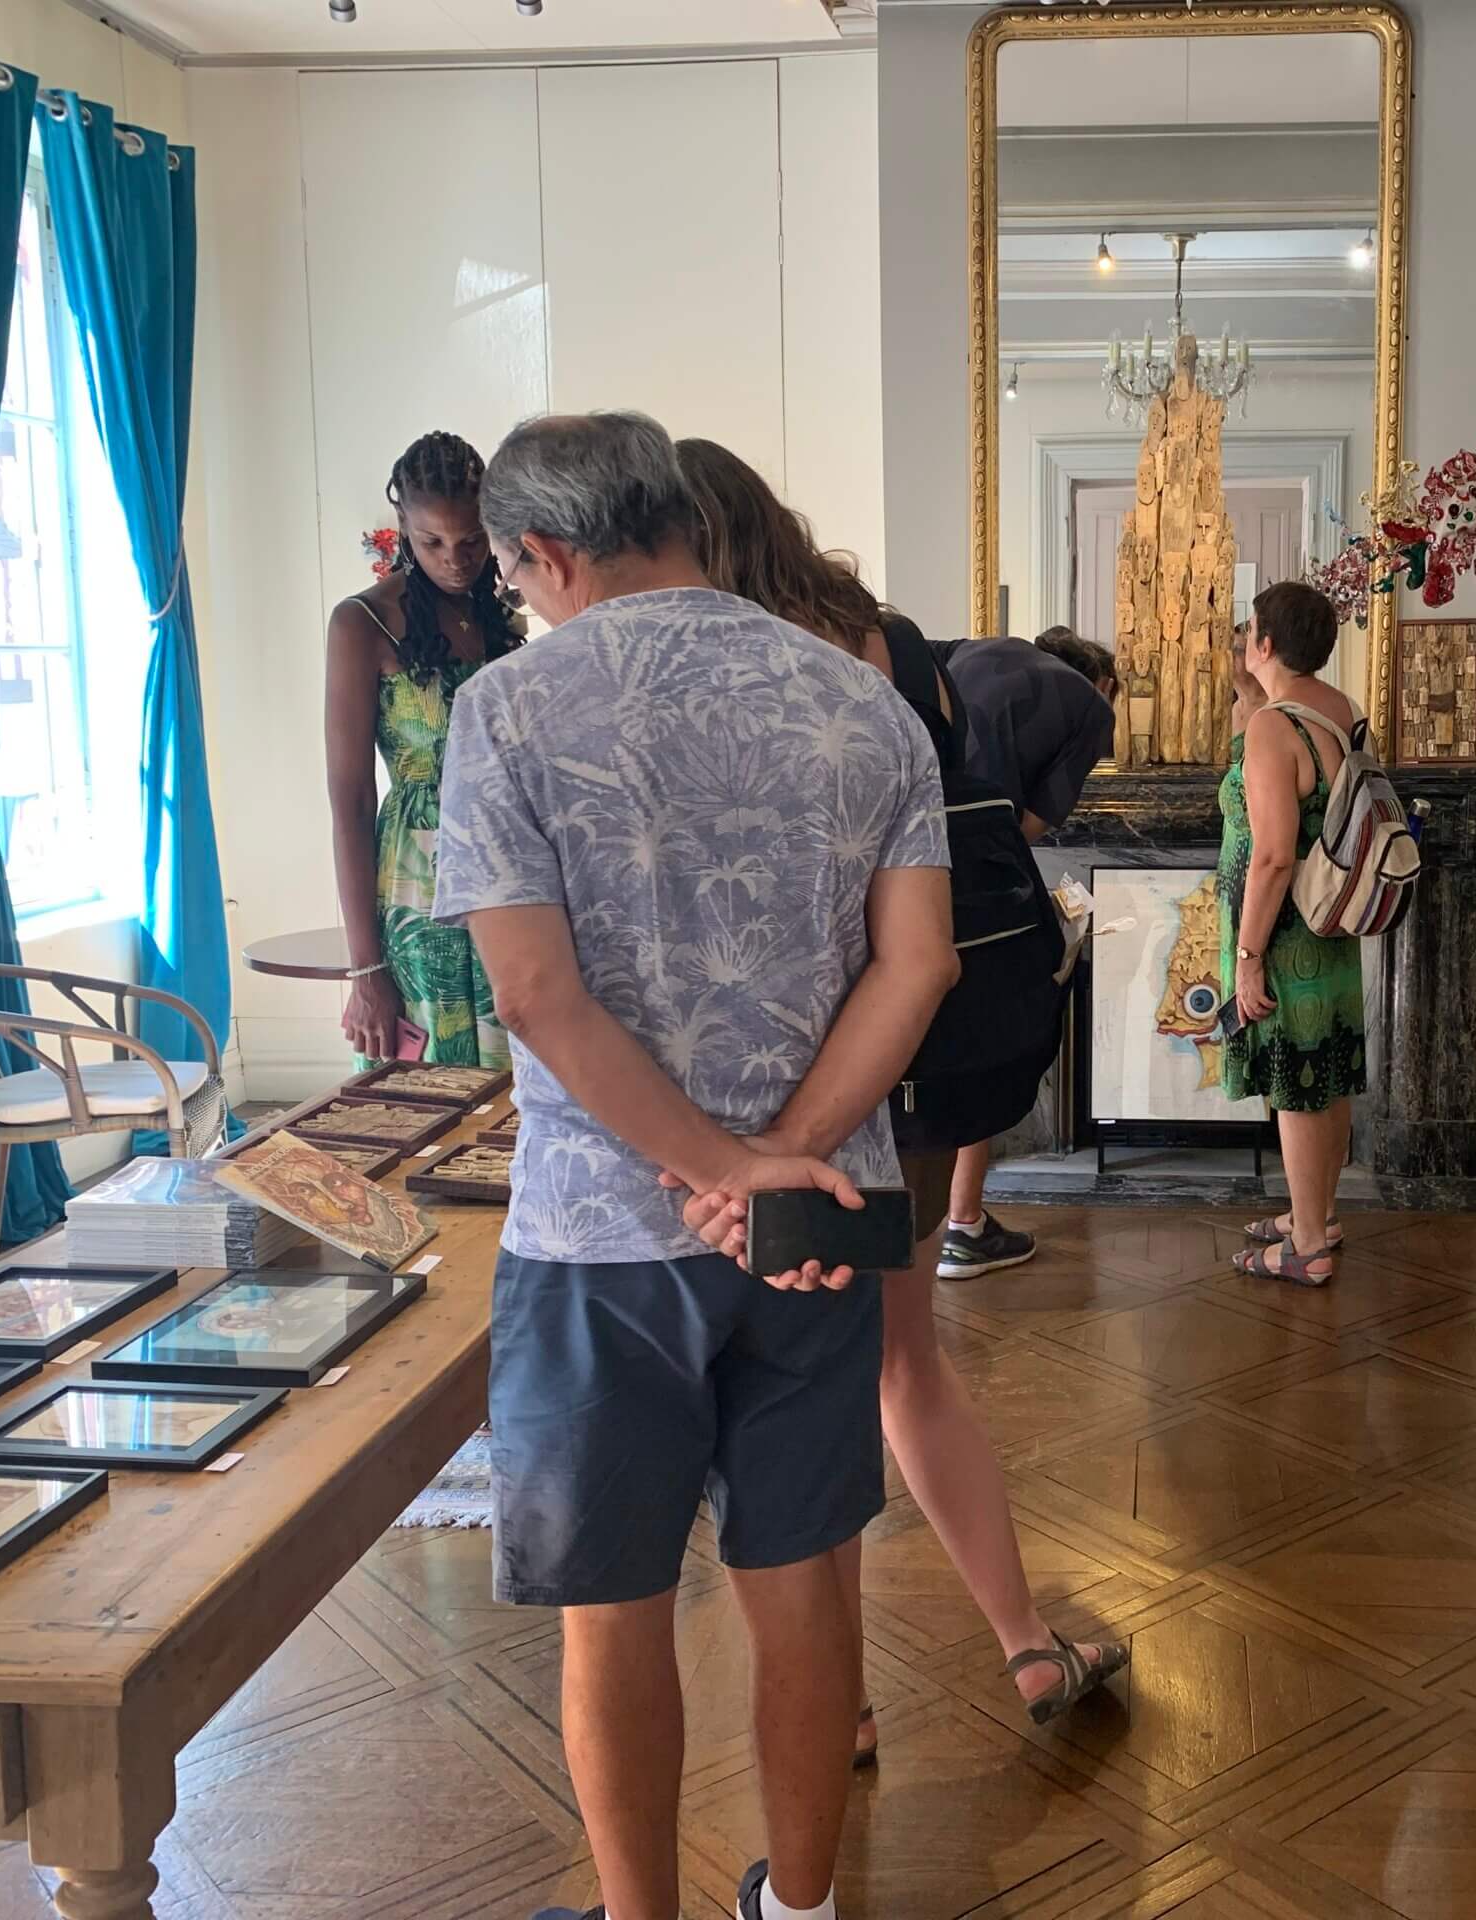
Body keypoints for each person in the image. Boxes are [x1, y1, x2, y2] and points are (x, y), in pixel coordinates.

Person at [434, 412, 960, 1920]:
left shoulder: (508, 711)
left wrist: (709, 1168)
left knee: (612, 1611)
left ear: (545, 554)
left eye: (514, 578)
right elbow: (917, 965)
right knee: (802, 1581)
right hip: (819, 1218)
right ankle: (801, 1908)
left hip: (599, 1236)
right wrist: (770, 1167)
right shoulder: (860, 699)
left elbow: (536, 995)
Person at [670, 437, 1129, 1767]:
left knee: (794, 1396)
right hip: (919, 1070)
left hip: (790, 1083)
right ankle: (1025, 1640)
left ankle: (842, 1703)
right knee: (903, 1367)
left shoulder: (724, 679)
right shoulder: (895, 646)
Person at [324, 431, 525, 1067]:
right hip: (417, 880)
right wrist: (366, 970)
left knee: (522, 1071)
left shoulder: (503, 617)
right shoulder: (360, 623)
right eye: (431, 542)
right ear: (403, 530)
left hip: (510, 865)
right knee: (424, 1083)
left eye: (472, 541)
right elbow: (351, 801)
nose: (455, 560)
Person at [925, 629, 1116, 1277]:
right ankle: (963, 1225)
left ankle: (917, 1223)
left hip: (902, 861)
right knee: (987, 1035)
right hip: (977, 877)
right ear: (1104, 681)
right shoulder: (1091, 705)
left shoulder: (970, 649)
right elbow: (1026, 825)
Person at [1218, 581, 1369, 1287]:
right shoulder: (1341, 708)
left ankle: (1307, 1247)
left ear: (1266, 641)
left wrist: (1248, 956)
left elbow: (1275, 855)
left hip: (1288, 932)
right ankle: (1319, 1214)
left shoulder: (1274, 727)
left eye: (1250, 628)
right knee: (1327, 1072)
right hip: (1331, 921)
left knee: (1297, 1081)